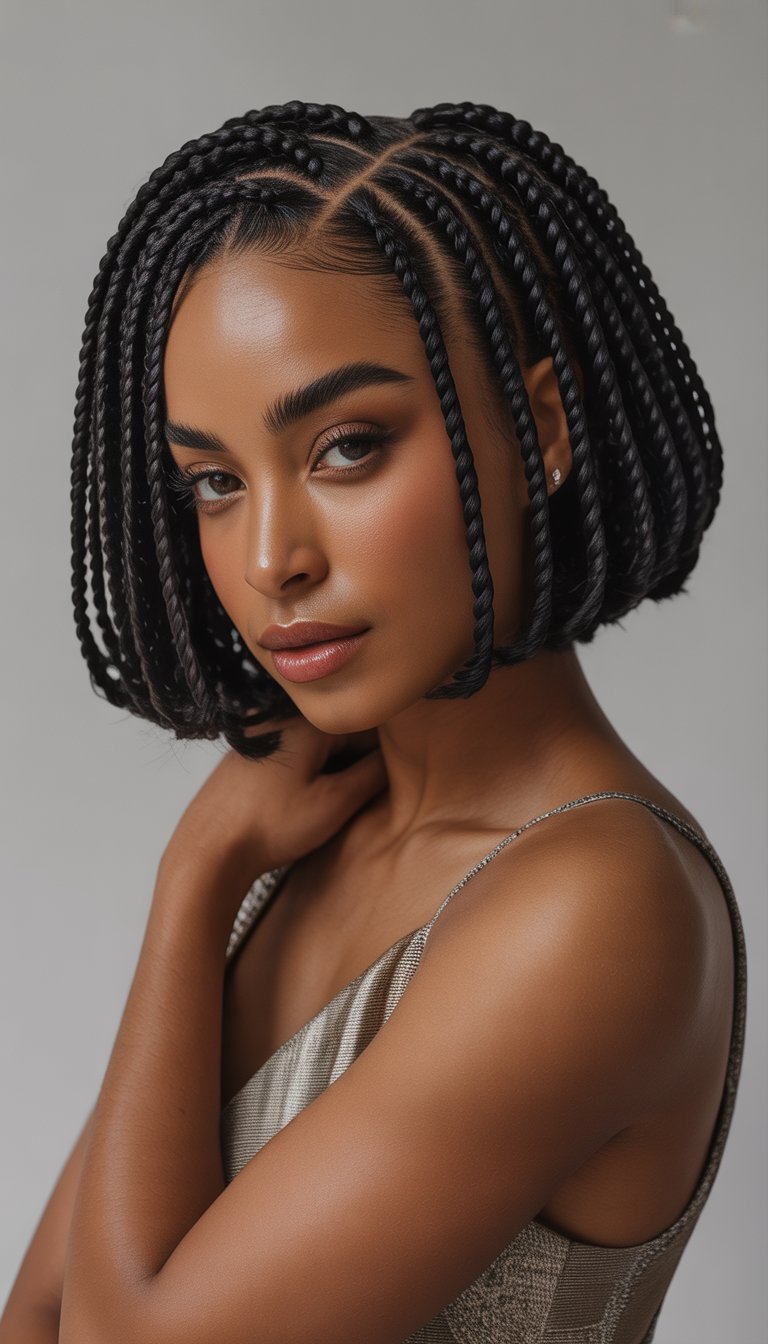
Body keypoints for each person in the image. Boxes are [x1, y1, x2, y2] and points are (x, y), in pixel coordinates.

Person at [0, 100, 746, 1344]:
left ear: (542, 430)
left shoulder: (597, 905)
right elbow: (37, 1316)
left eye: (347, 446)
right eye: (216, 483)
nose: (271, 558)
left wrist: (192, 876)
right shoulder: (305, 847)